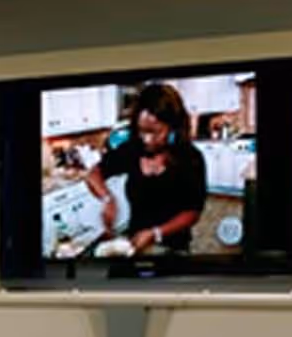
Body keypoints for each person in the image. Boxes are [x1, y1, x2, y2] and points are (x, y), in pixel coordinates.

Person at [84, 83, 208, 254]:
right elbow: (94, 174)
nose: (147, 140)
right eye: (142, 131)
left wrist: (155, 233)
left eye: (155, 132)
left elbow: (192, 212)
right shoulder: (132, 149)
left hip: (173, 247)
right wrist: (107, 199)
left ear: (173, 127)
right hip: (135, 242)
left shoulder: (190, 158)